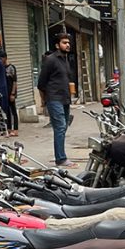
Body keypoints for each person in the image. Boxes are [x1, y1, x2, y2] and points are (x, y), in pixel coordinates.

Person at [37, 33, 75, 168]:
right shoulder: (50, 60)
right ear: (57, 45)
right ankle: (61, 158)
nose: (68, 45)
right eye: (64, 42)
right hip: (54, 98)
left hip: (65, 98)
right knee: (59, 127)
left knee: (63, 127)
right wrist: (44, 100)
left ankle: (61, 155)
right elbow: (41, 83)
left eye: (68, 42)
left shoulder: (65, 59)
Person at [4, 51, 19, 137]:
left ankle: (16, 129)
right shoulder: (2, 67)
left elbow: (14, 82)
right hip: (6, 92)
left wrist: (13, 93)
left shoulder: (11, 68)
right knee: (7, 112)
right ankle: (9, 128)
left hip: (11, 92)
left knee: (13, 111)